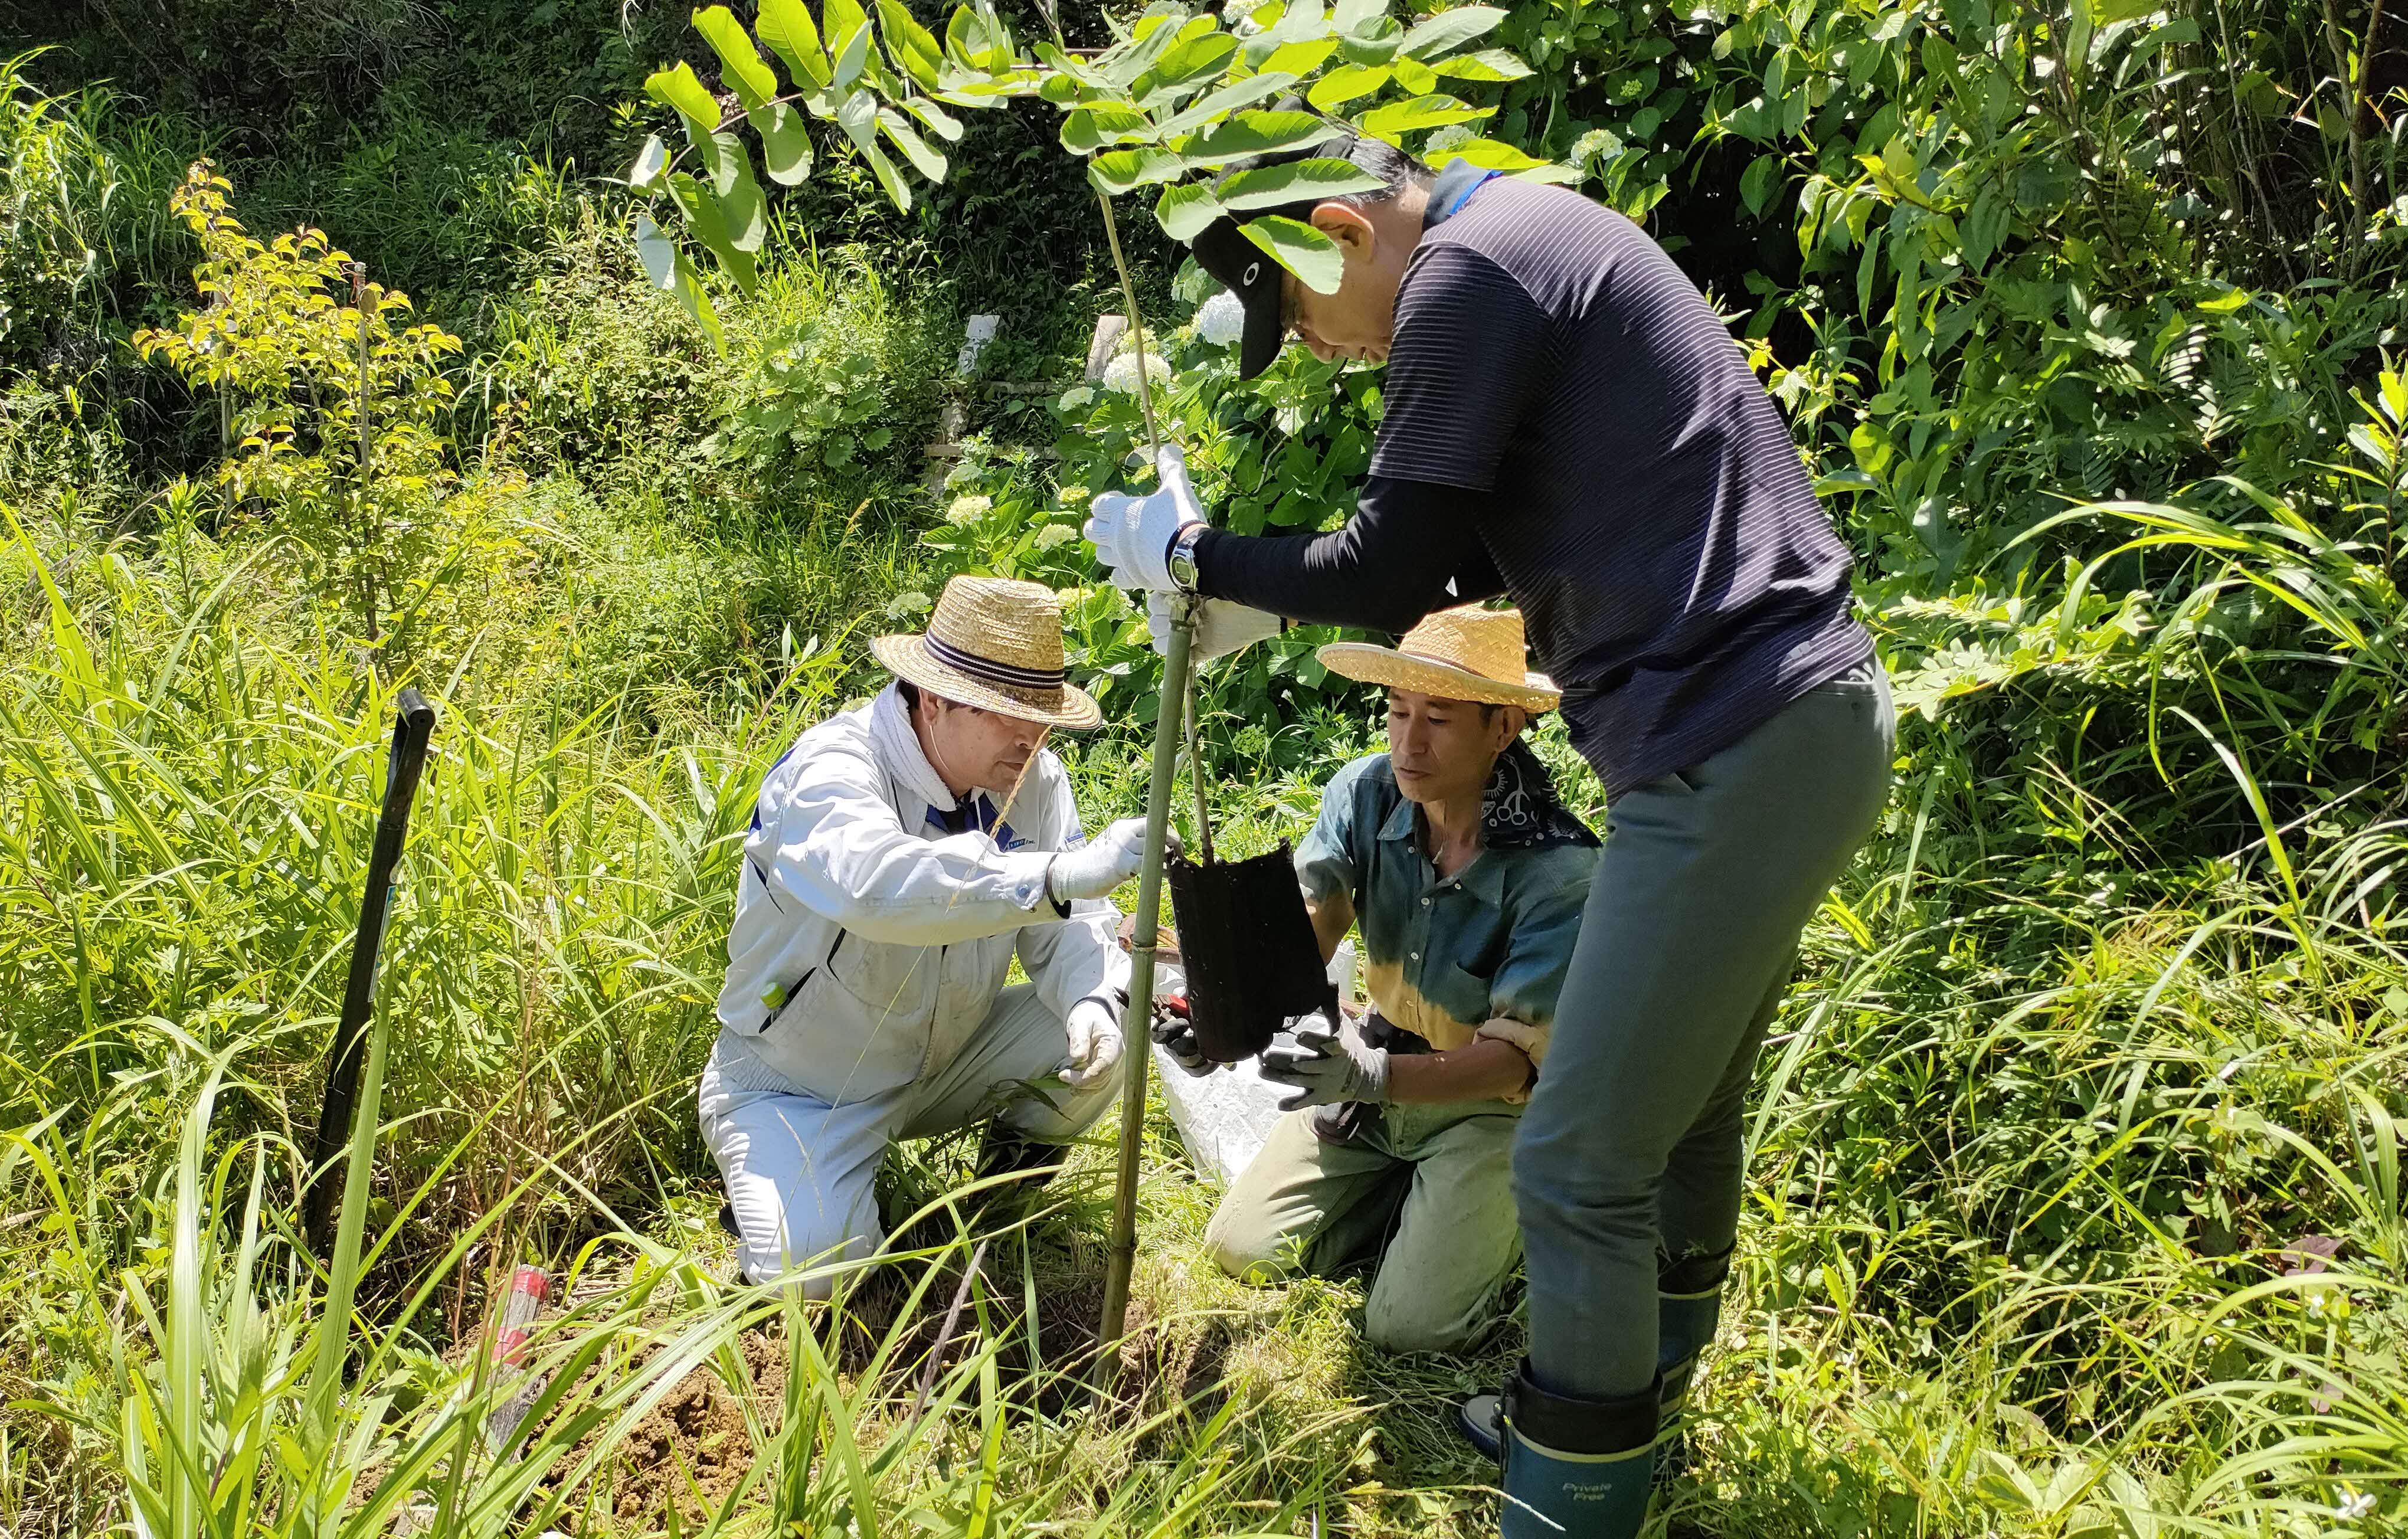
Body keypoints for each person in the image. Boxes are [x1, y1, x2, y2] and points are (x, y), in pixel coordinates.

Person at [1089, 127, 1896, 1536]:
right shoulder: (1530, 239)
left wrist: (1193, 558)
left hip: (1731, 739)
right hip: (1788, 725)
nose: (1324, 350)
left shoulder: (1469, 270)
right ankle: (1629, 1410)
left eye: (1299, 314)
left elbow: (1392, 561)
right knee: (1683, 1109)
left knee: (1574, 1162)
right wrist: (1249, 600)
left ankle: (1568, 1501)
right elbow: (1459, 563)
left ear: (1341, 228)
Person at [697, 575, 1167, 1304]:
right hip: (803, 1083)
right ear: (935, 697)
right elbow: (875, 886)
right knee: (817, 1273)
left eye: (1040, 717)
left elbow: (1075, 927)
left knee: (1126, 1005)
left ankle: (998, 1208)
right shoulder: (834, 767)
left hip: (943, 1064)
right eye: (1008, 715)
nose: (1031, 738)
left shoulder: (1034, 779)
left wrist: (1088, 1000)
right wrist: (1057, 874)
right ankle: (788, 1194)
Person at [1177, 605, 1593, 1356]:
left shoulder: (1558, 871)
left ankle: (1498, 1210)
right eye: (1398, 711)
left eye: (1438, 717)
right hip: (1372, 1068)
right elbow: (1314, 924)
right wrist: (1216, 1011)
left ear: (1503, 728)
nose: (1407, 741)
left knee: (1408, 1331)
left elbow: (1511, 1059)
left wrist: (1369, 1075)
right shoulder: (1366, 793)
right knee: (1239, 1249)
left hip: (1488, 1111)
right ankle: (1407, 1202)